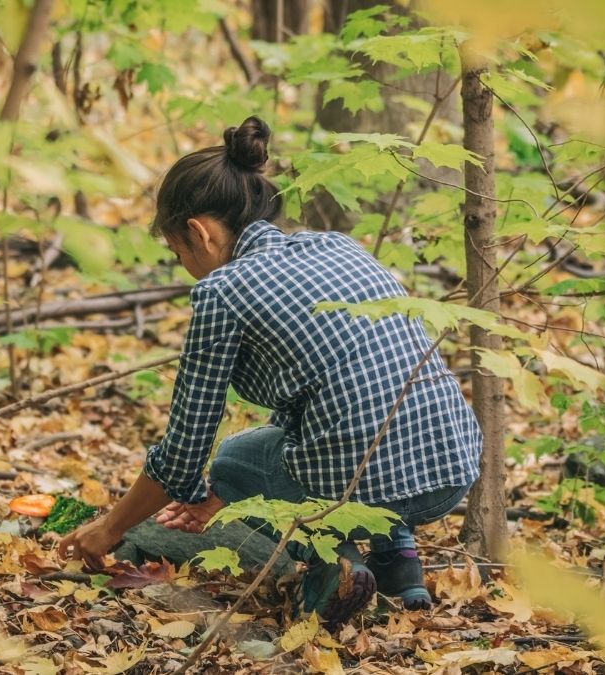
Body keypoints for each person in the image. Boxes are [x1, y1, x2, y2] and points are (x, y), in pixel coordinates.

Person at [57, 116, 482, 626]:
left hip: (368, 480)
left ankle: (335, 568)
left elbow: (184, 454)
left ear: (199, 232)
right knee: (356, 429)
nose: (185, 265)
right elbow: (324, 395)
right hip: (452, 466)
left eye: (178, 252)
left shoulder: (222, 291)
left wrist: (109, 527)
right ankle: (399, 563)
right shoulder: (337, 246)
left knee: (233, 460)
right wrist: (218, 501)